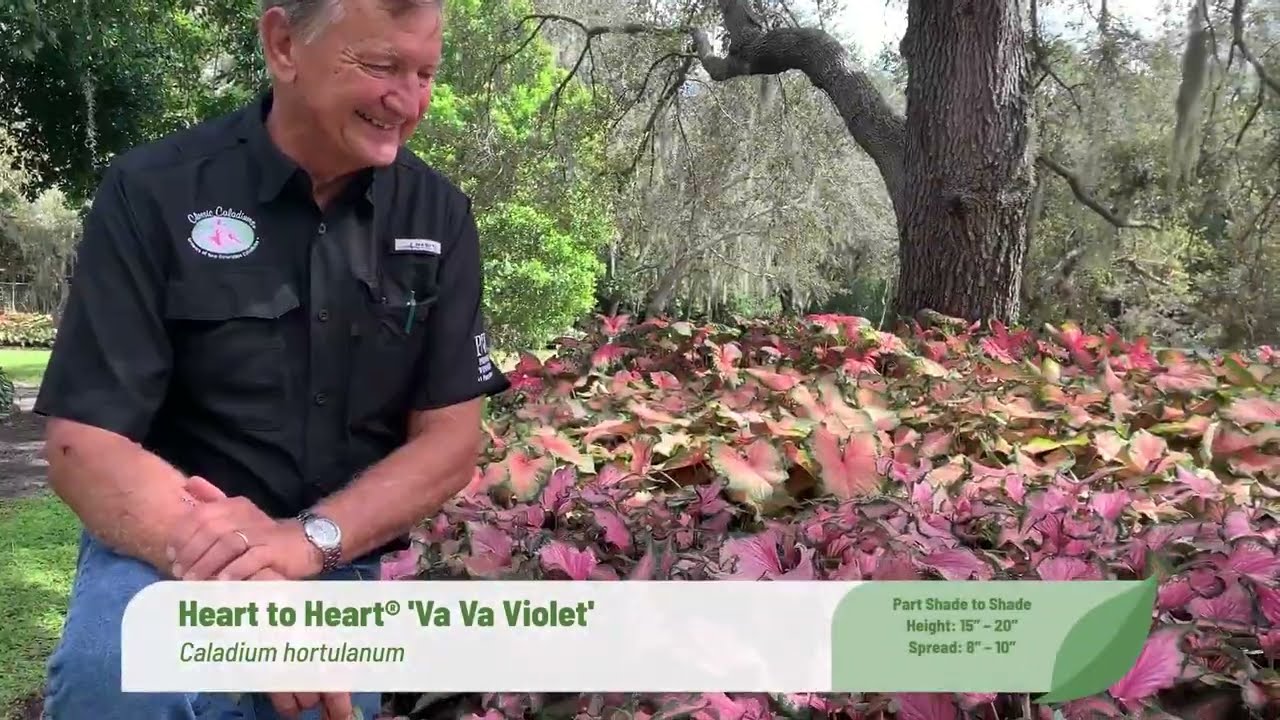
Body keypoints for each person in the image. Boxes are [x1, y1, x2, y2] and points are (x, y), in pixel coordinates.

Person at [33, 0, 510, 716]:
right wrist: (242, 576)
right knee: (119, 679)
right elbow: (84, 444)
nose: (407, 101)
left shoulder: (438, 217)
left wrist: (305, 543)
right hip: (167, 548)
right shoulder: (154, 192)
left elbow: (451, 439)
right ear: (284, 44)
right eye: (381, 65)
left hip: (342, 556)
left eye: (425, 73)